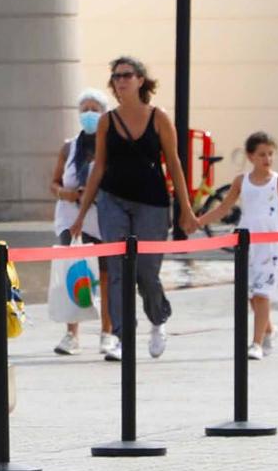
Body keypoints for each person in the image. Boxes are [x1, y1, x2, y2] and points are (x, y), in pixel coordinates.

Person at [68, 56, 199, 360]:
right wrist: (81, 213)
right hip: (112, 200)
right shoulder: (106, 121)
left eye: (127, 75)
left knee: (146, 272)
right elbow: (98, 168)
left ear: (141, 80)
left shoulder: (159, 118)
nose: (121, 81)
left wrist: (186, 209)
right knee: (117, 271)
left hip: (152, 203)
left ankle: (157, 320)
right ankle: (121, 335)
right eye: (116, 77)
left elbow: (175, 164)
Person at [195, 131, 278, 358]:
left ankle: (256, 343)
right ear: (251, 156)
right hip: (248, 244)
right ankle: (269, 329)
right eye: (262, 154)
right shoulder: (242, 182)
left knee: (262, 294)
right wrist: (199, 221)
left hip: (271, 245)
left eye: (270, 154)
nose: (267, 159)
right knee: (251, 293)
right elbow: (224, 207)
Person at [48, 88, 112, 356]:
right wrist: (67, 194)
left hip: (102, 219)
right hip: (70, 218)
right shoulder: (69, 147)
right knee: (74, 273)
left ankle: (107, 332)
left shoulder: (110, 145)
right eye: (84, 109)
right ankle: (72, 334)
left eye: (94, 109)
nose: (88, 114)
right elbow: (54, 183)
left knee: (106, 275)